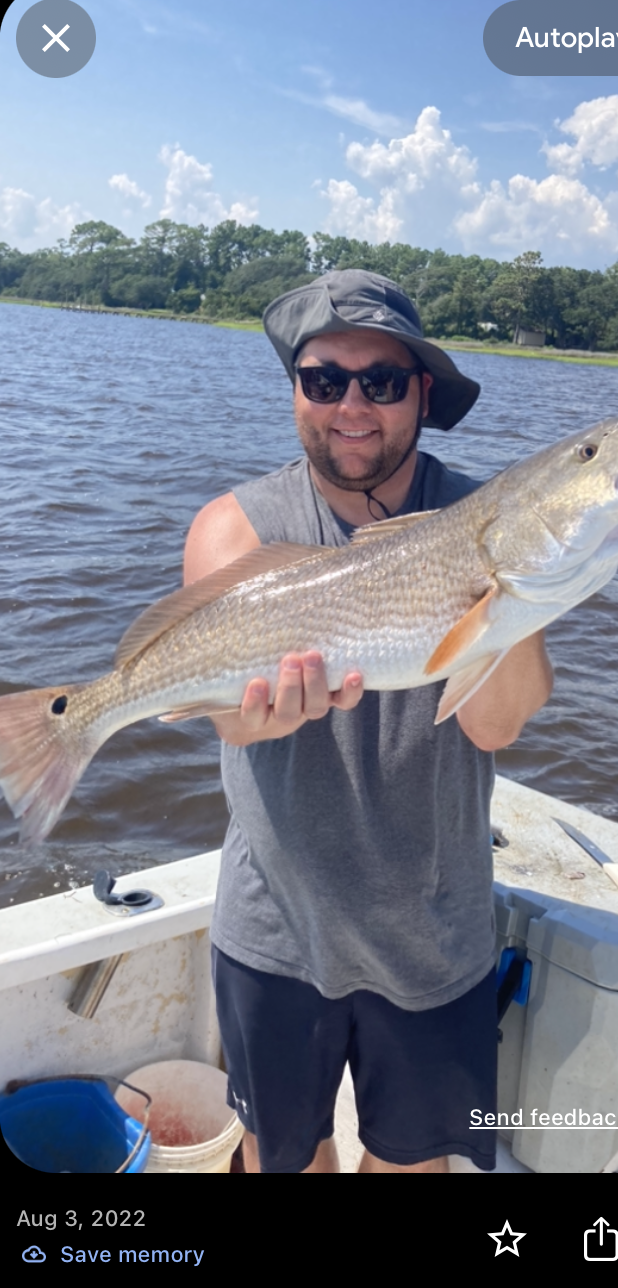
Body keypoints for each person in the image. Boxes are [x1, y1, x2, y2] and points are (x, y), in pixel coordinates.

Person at [184, 270, 553, 1173]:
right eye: (324, 379)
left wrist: (507, 590)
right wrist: (257, 718)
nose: (351, 406)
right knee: (283, 1160)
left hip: (436, 934)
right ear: (295, 389)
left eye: (381, 381)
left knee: (415, 1167)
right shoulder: (234, 529)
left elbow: (498, 725)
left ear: (422, 393)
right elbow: (229, 722)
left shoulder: (487, 518)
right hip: (277, 929)